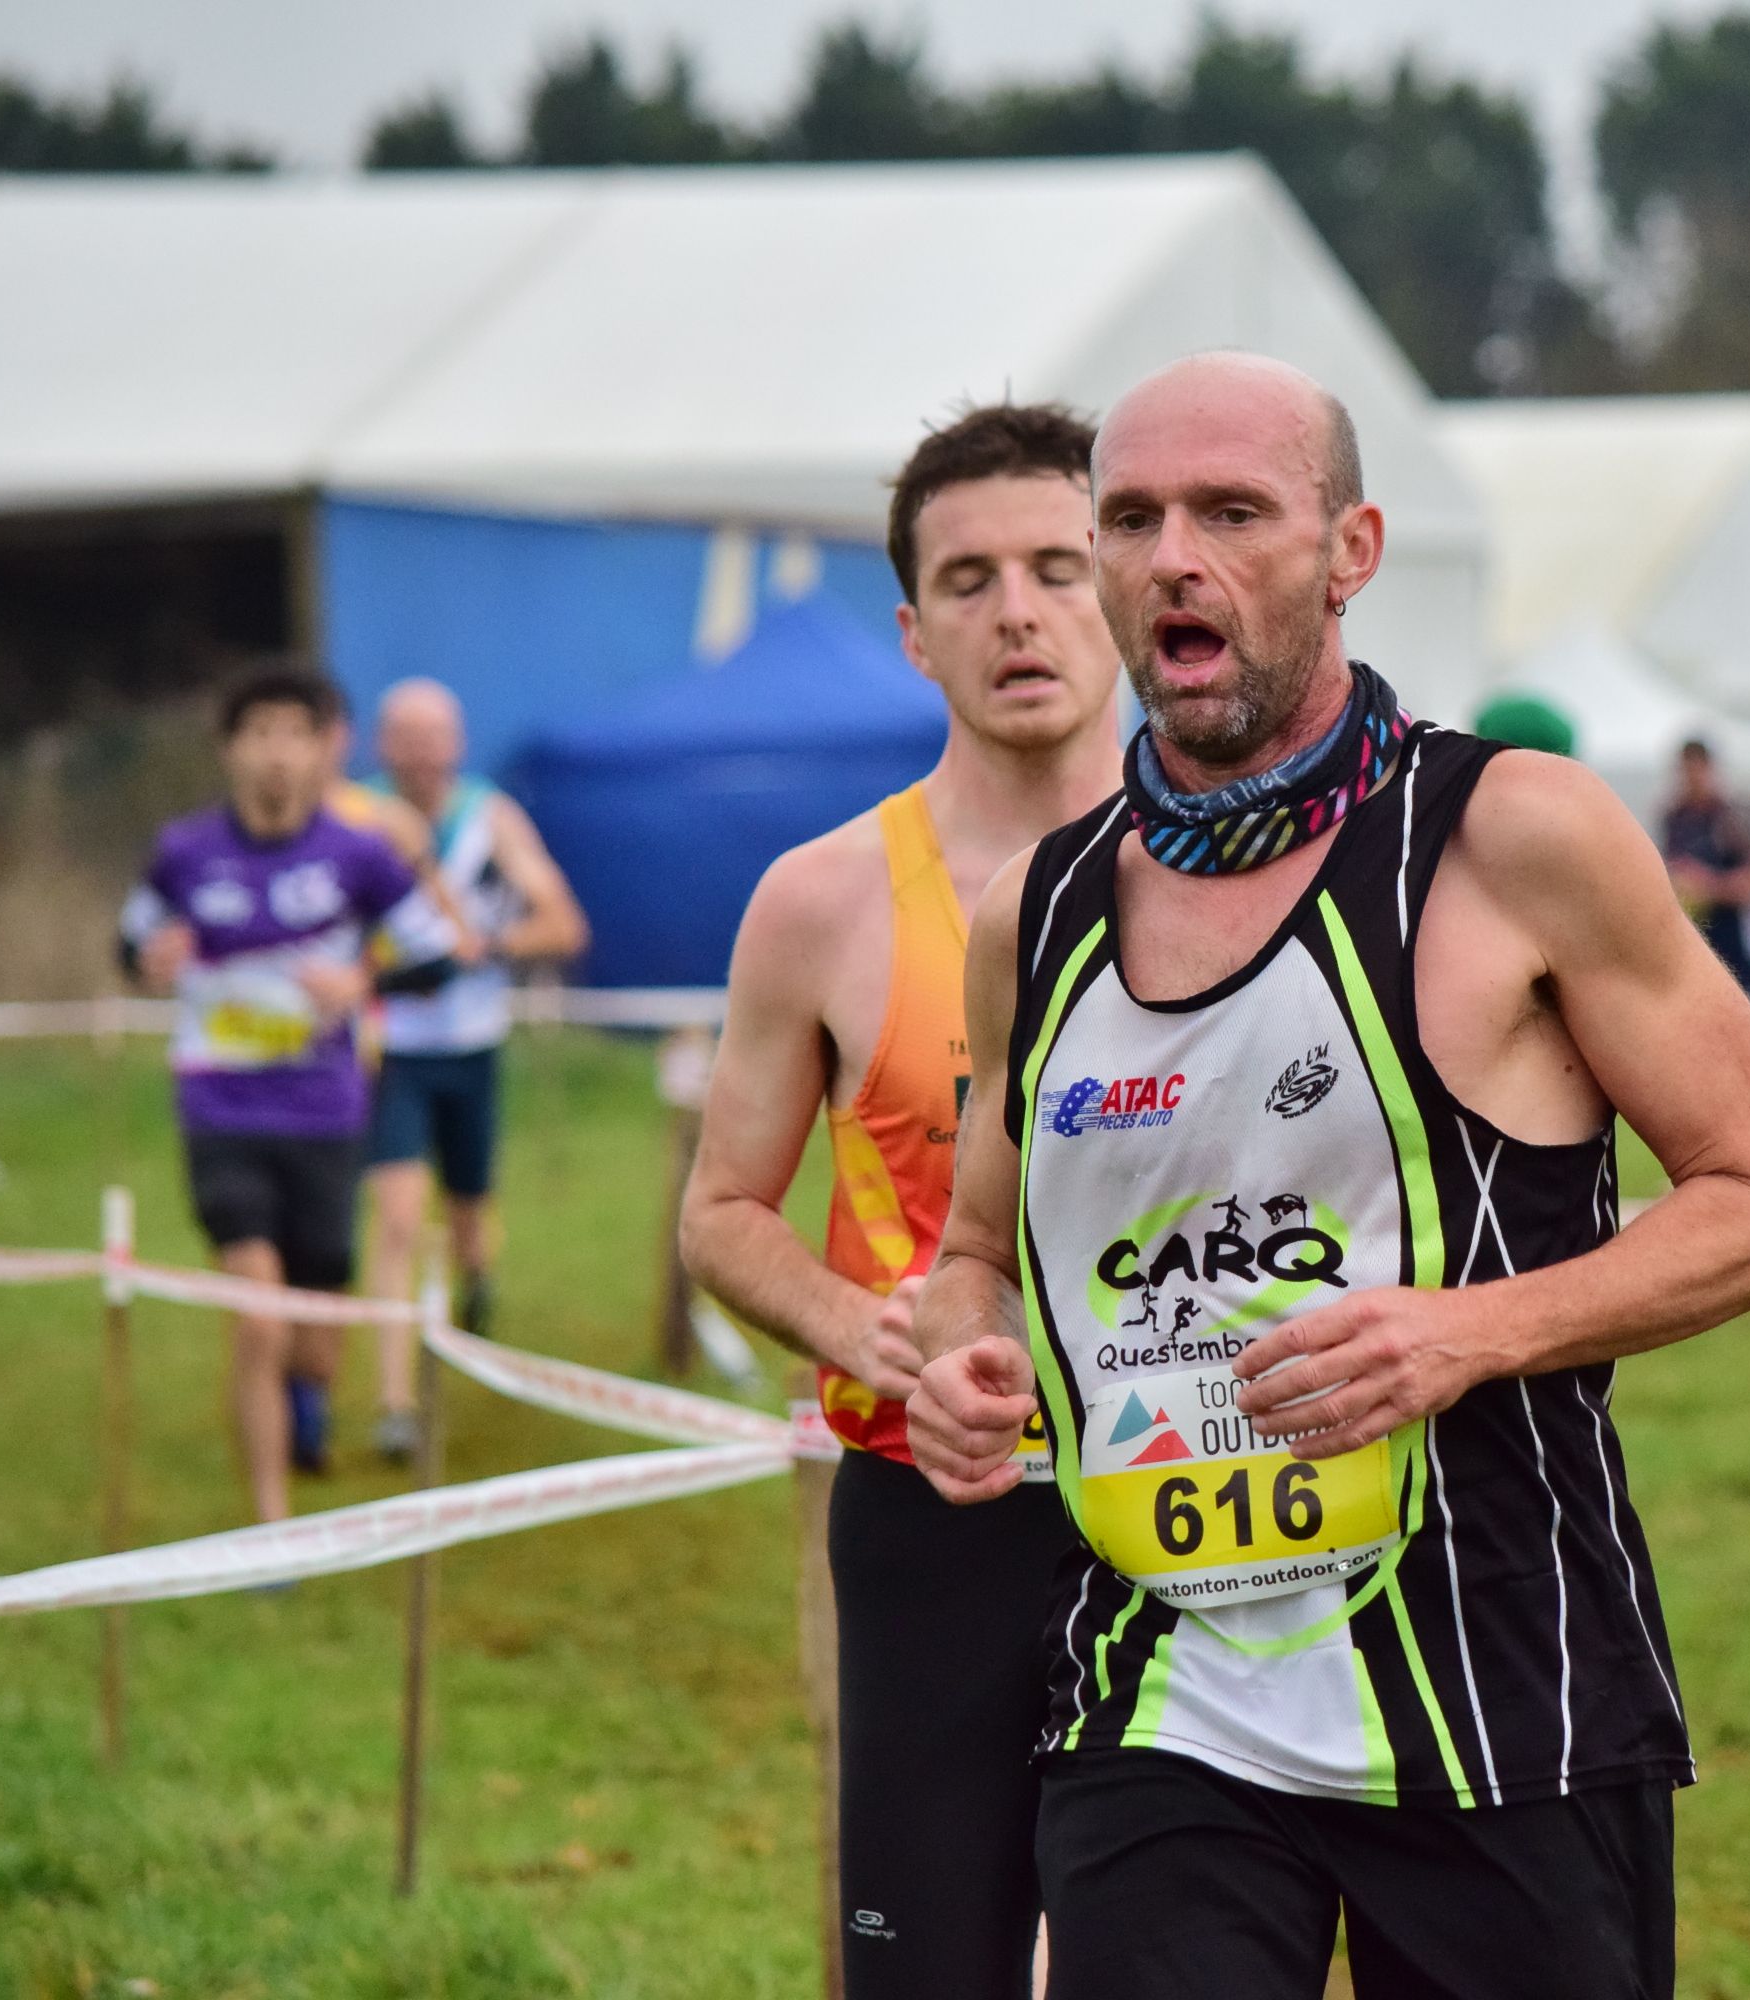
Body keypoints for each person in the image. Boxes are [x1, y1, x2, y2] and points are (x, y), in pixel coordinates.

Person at [907, 353, 1750, 2000]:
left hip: (1496, 1688)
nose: (1172, 558)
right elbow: (975, 1250)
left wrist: (1466, 1333)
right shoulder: (1033, 914)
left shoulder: (1512, 837)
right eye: (1131, 518)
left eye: (1231, 513)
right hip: (1155, 1697)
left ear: (1351, 551)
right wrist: (966, 1357)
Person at [676, 403, 1127, 1999]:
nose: (1020, 613)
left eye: (1060, 567)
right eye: (969, 579)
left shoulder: (1251, 875)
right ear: (914, 633)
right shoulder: (820, 900)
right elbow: (722, 1211)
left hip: (1204, 1506)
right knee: (932, 1969)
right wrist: (879, 1339)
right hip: (943, 1512)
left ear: (1125, 589)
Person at [122, 665, 459, 1523]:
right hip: (221, 1111)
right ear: (229, 750)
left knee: (313, 1333)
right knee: (259, 1320)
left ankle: (307, 1398)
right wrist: (149, 958)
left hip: (326, 1114)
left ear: (321, 752)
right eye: (259, 733)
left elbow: (437, 956)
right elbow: (130, 942)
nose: (276, 753)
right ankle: (272, 1526)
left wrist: (361, 982)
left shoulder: (358, 855)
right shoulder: (184, 853)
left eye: (293, 734)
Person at [360, 677, 588, 1462]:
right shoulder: (360, 816)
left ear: (457, 745)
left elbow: (563, 925)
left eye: (435, 739)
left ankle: (477, 1280)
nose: (421, 755)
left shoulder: (491, 820)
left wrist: (482, 951)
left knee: (468, 1215)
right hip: (391, 1050)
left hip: (472, 1048)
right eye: (406, 739)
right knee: (397, 1219)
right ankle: (394, 1405)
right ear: (382, 746)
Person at [1657, 738, 1750, 998]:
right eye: (1685, 771)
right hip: (1691, 947)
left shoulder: (1731, 818)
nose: (1690, 779)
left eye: (1695, 771)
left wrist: (1707, 885)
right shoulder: (1674, 817)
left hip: (1732, 947)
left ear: (1710, 769)